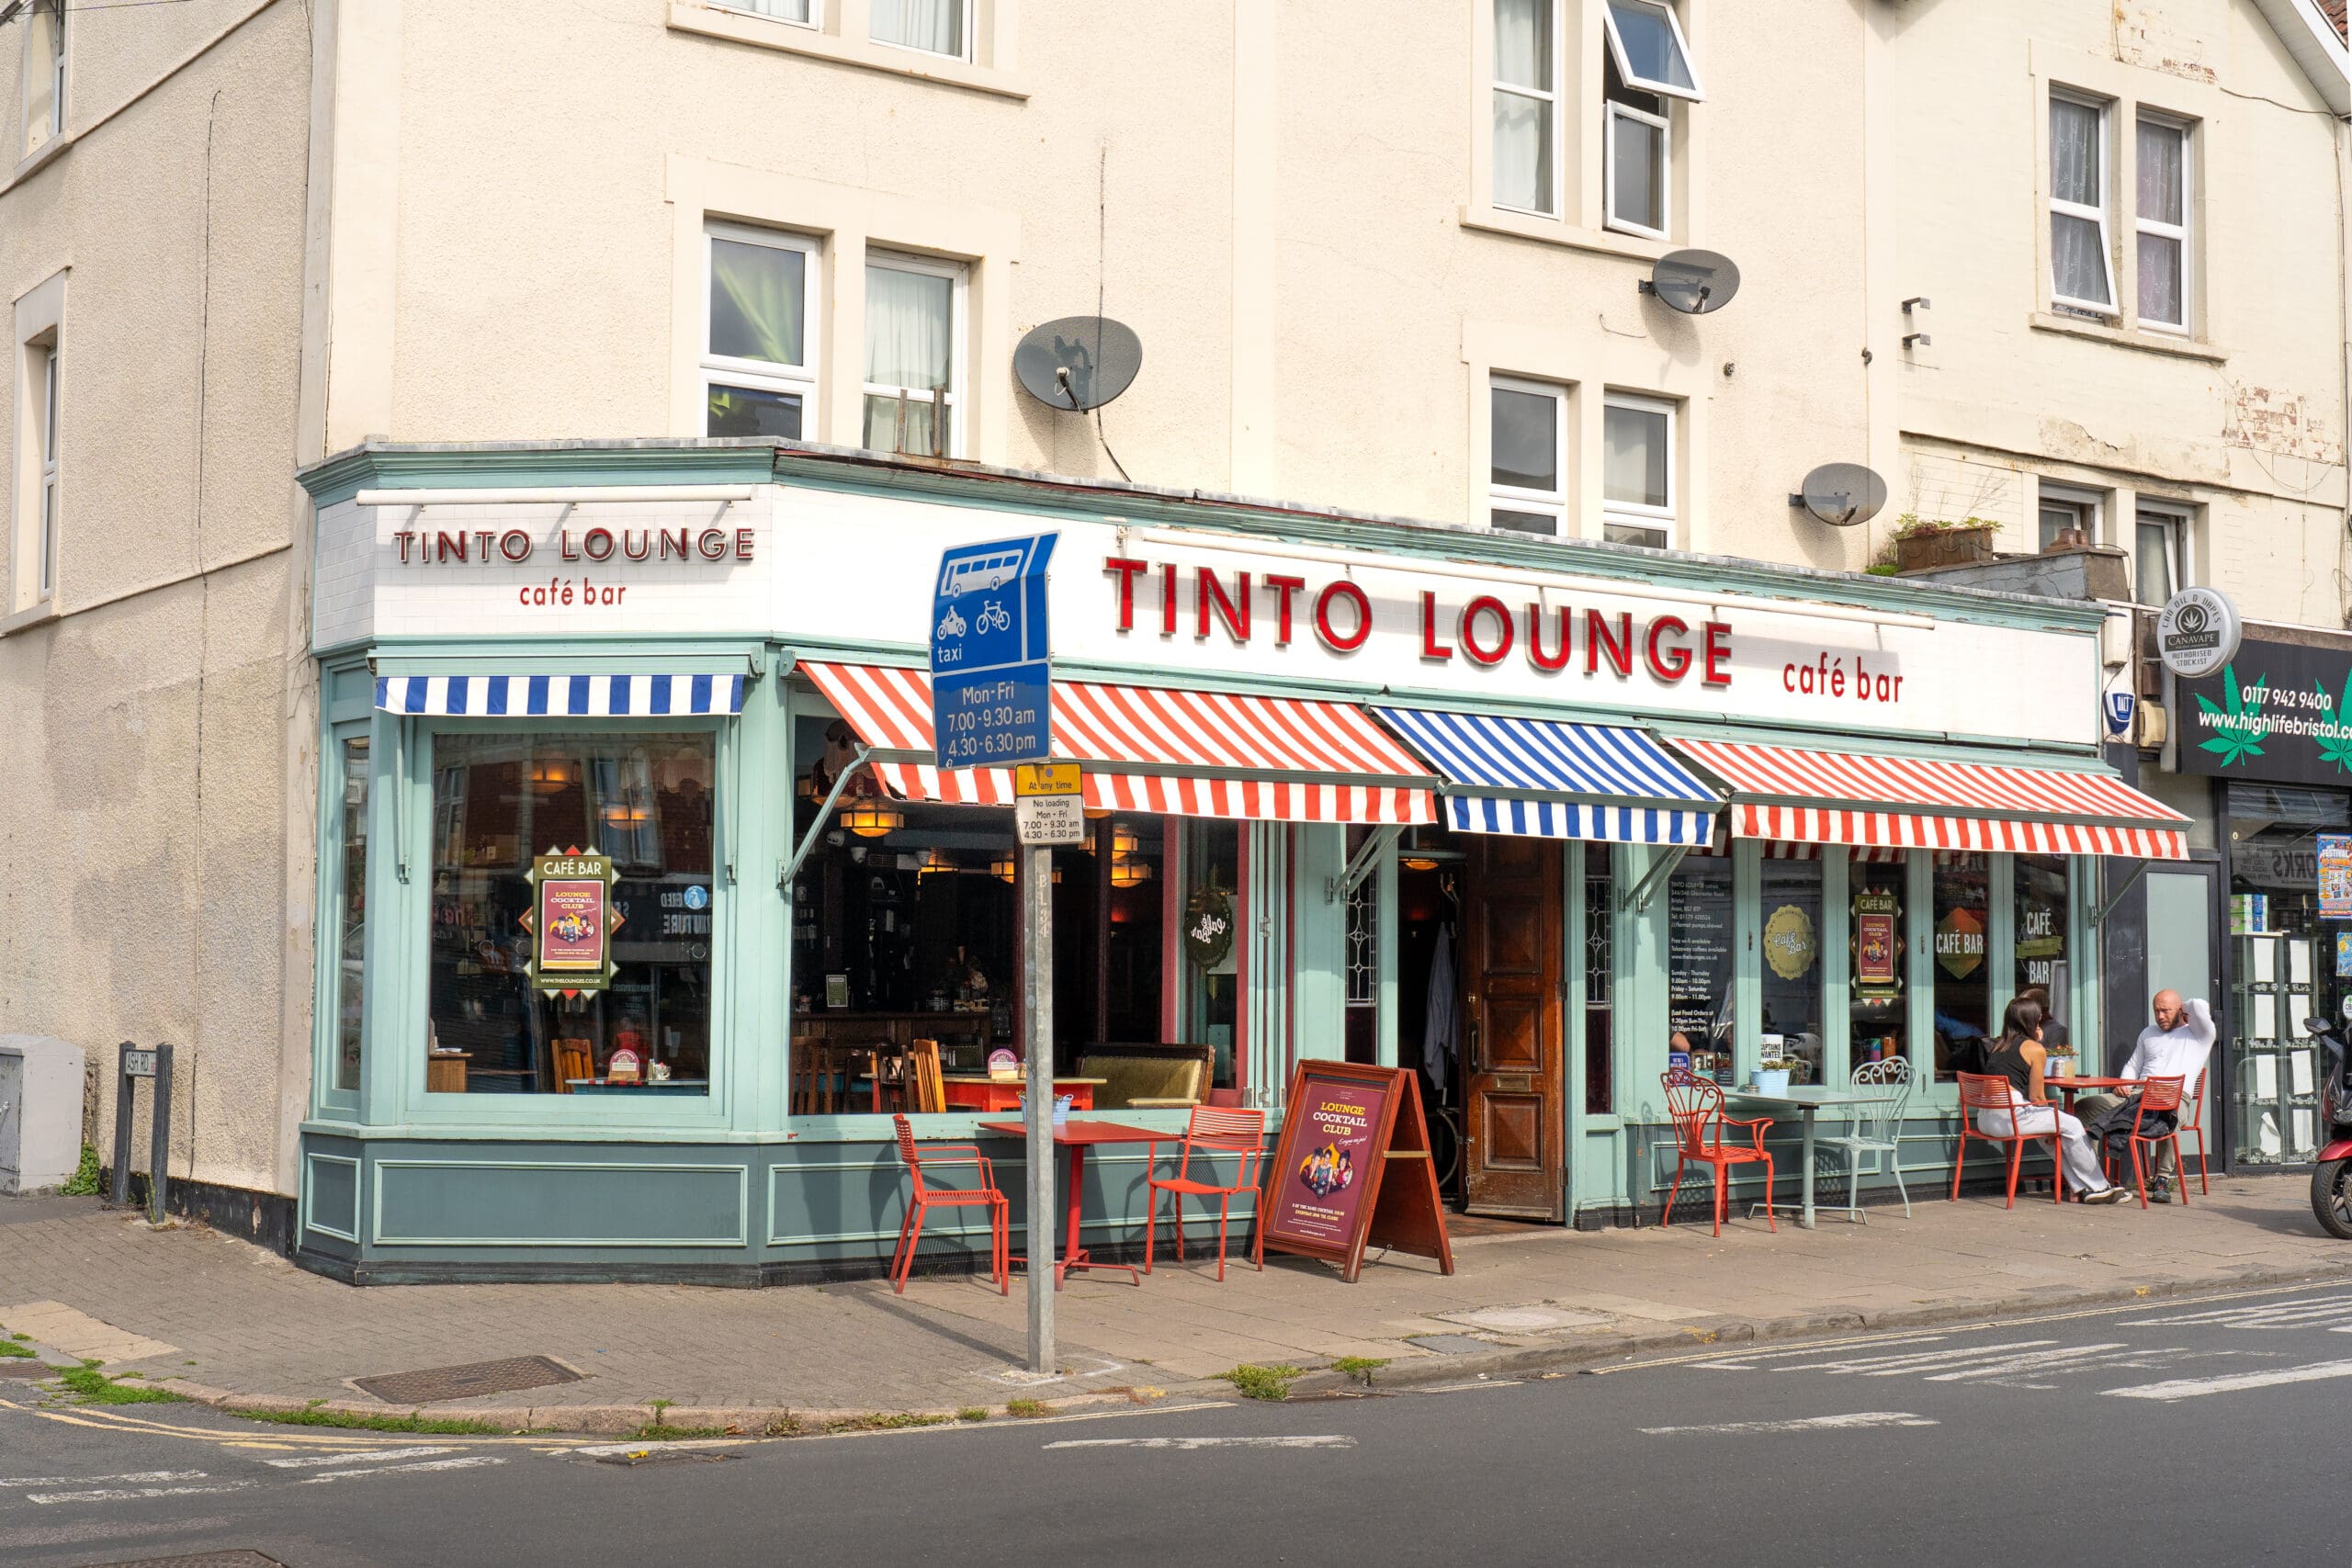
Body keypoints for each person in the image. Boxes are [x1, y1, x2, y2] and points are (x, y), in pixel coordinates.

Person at [1973, 997, 2126, 1204]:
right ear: (2033, 1021)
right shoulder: (2034, 1049)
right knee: (2072, 1125)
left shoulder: (1997, 1045)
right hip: (2011, 1119)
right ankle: (2100, 1186)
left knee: (2051, 1138)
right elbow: (2037, 1097)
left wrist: (2047, 1126)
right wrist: (2038, 1044)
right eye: (2039, 1020)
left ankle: (2081, 1188)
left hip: (1986, 1120)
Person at [2073, 990, 2214, 1201]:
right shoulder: (2148, 1033)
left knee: (2168, 1115)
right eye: (2156, 1010)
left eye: (2166, 1010)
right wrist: (2124, 1084)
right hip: (2137, 1094)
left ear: (2180, 1009)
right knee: (2085, 1107)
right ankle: (2092, 1177)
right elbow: (2133, 1065)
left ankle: (2162, 1178)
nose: (2160, 1016)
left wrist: (2183, 1008)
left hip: (2174, 1097)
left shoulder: (2199, 1034)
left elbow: (2200, 1005)